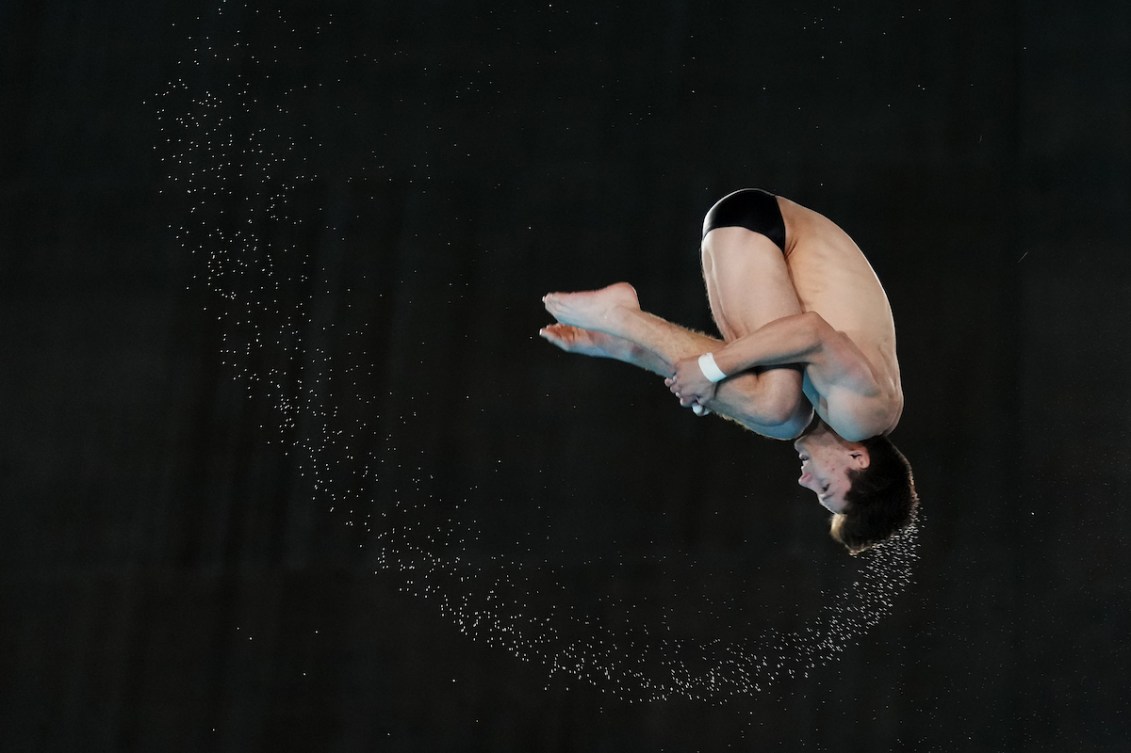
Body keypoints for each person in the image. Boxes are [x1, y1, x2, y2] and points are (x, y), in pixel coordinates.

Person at [540, 188, 918, 553]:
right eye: (824, 489)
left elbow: (761, 354)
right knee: (775, 406)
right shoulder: (864, 416)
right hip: (765, 229)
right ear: (858, 460)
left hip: (748, 235)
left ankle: (625, 341)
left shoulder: (842, 415)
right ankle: (619, 318)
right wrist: (710, 369)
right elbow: (811, 331)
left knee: (782, 416)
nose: (805, 481)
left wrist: (711, 384)